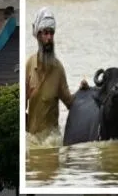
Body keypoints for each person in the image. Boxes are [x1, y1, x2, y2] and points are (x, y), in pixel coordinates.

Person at [25, 8, 89, 137]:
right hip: (32, 140)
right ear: (38, 35)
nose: (49, 37)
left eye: (52, 33)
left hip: (51, 141)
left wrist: (83, 92)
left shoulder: (58, 69)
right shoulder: (29, 65)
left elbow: (70, 103)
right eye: (46, 33)